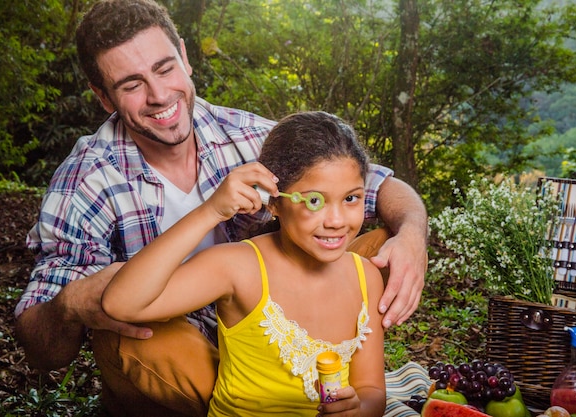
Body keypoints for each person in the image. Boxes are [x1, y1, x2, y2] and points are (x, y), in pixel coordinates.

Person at [14, 0, 427, 415]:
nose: (159, 96)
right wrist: (69, 304)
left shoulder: (248, 136)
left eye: (164, 68)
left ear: (185, 57)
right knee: (126, 333)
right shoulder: (86, 182)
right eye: (131, 84)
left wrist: (412, 235)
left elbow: (374, 184)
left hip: (271, 317)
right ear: (104, 97)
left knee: (383, 243)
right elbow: (41, 347)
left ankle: (321, 378)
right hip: (182, 348)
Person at [102, 111, 387, 416]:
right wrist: (211, 211)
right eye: (314, 201)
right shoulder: (240, 267)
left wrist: (359, 410)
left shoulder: (365, 276)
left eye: (351, 199)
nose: (336, 221)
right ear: (274, 202)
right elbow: (121, 304)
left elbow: (371, 388)